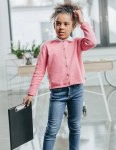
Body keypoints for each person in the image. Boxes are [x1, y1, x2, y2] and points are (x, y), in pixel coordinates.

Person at [23, 2, 97, 150]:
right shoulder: (47, 46)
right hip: (58, 93)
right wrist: (31, 93)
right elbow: (39, 71)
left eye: (65, 24)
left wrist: (83, 22)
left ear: (73, 26)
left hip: (77, 90)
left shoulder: (77, 43)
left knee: (75, 127)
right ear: (54, 25)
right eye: (58, 23)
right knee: (52, 129)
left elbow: (92, 41)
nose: (61, 27)